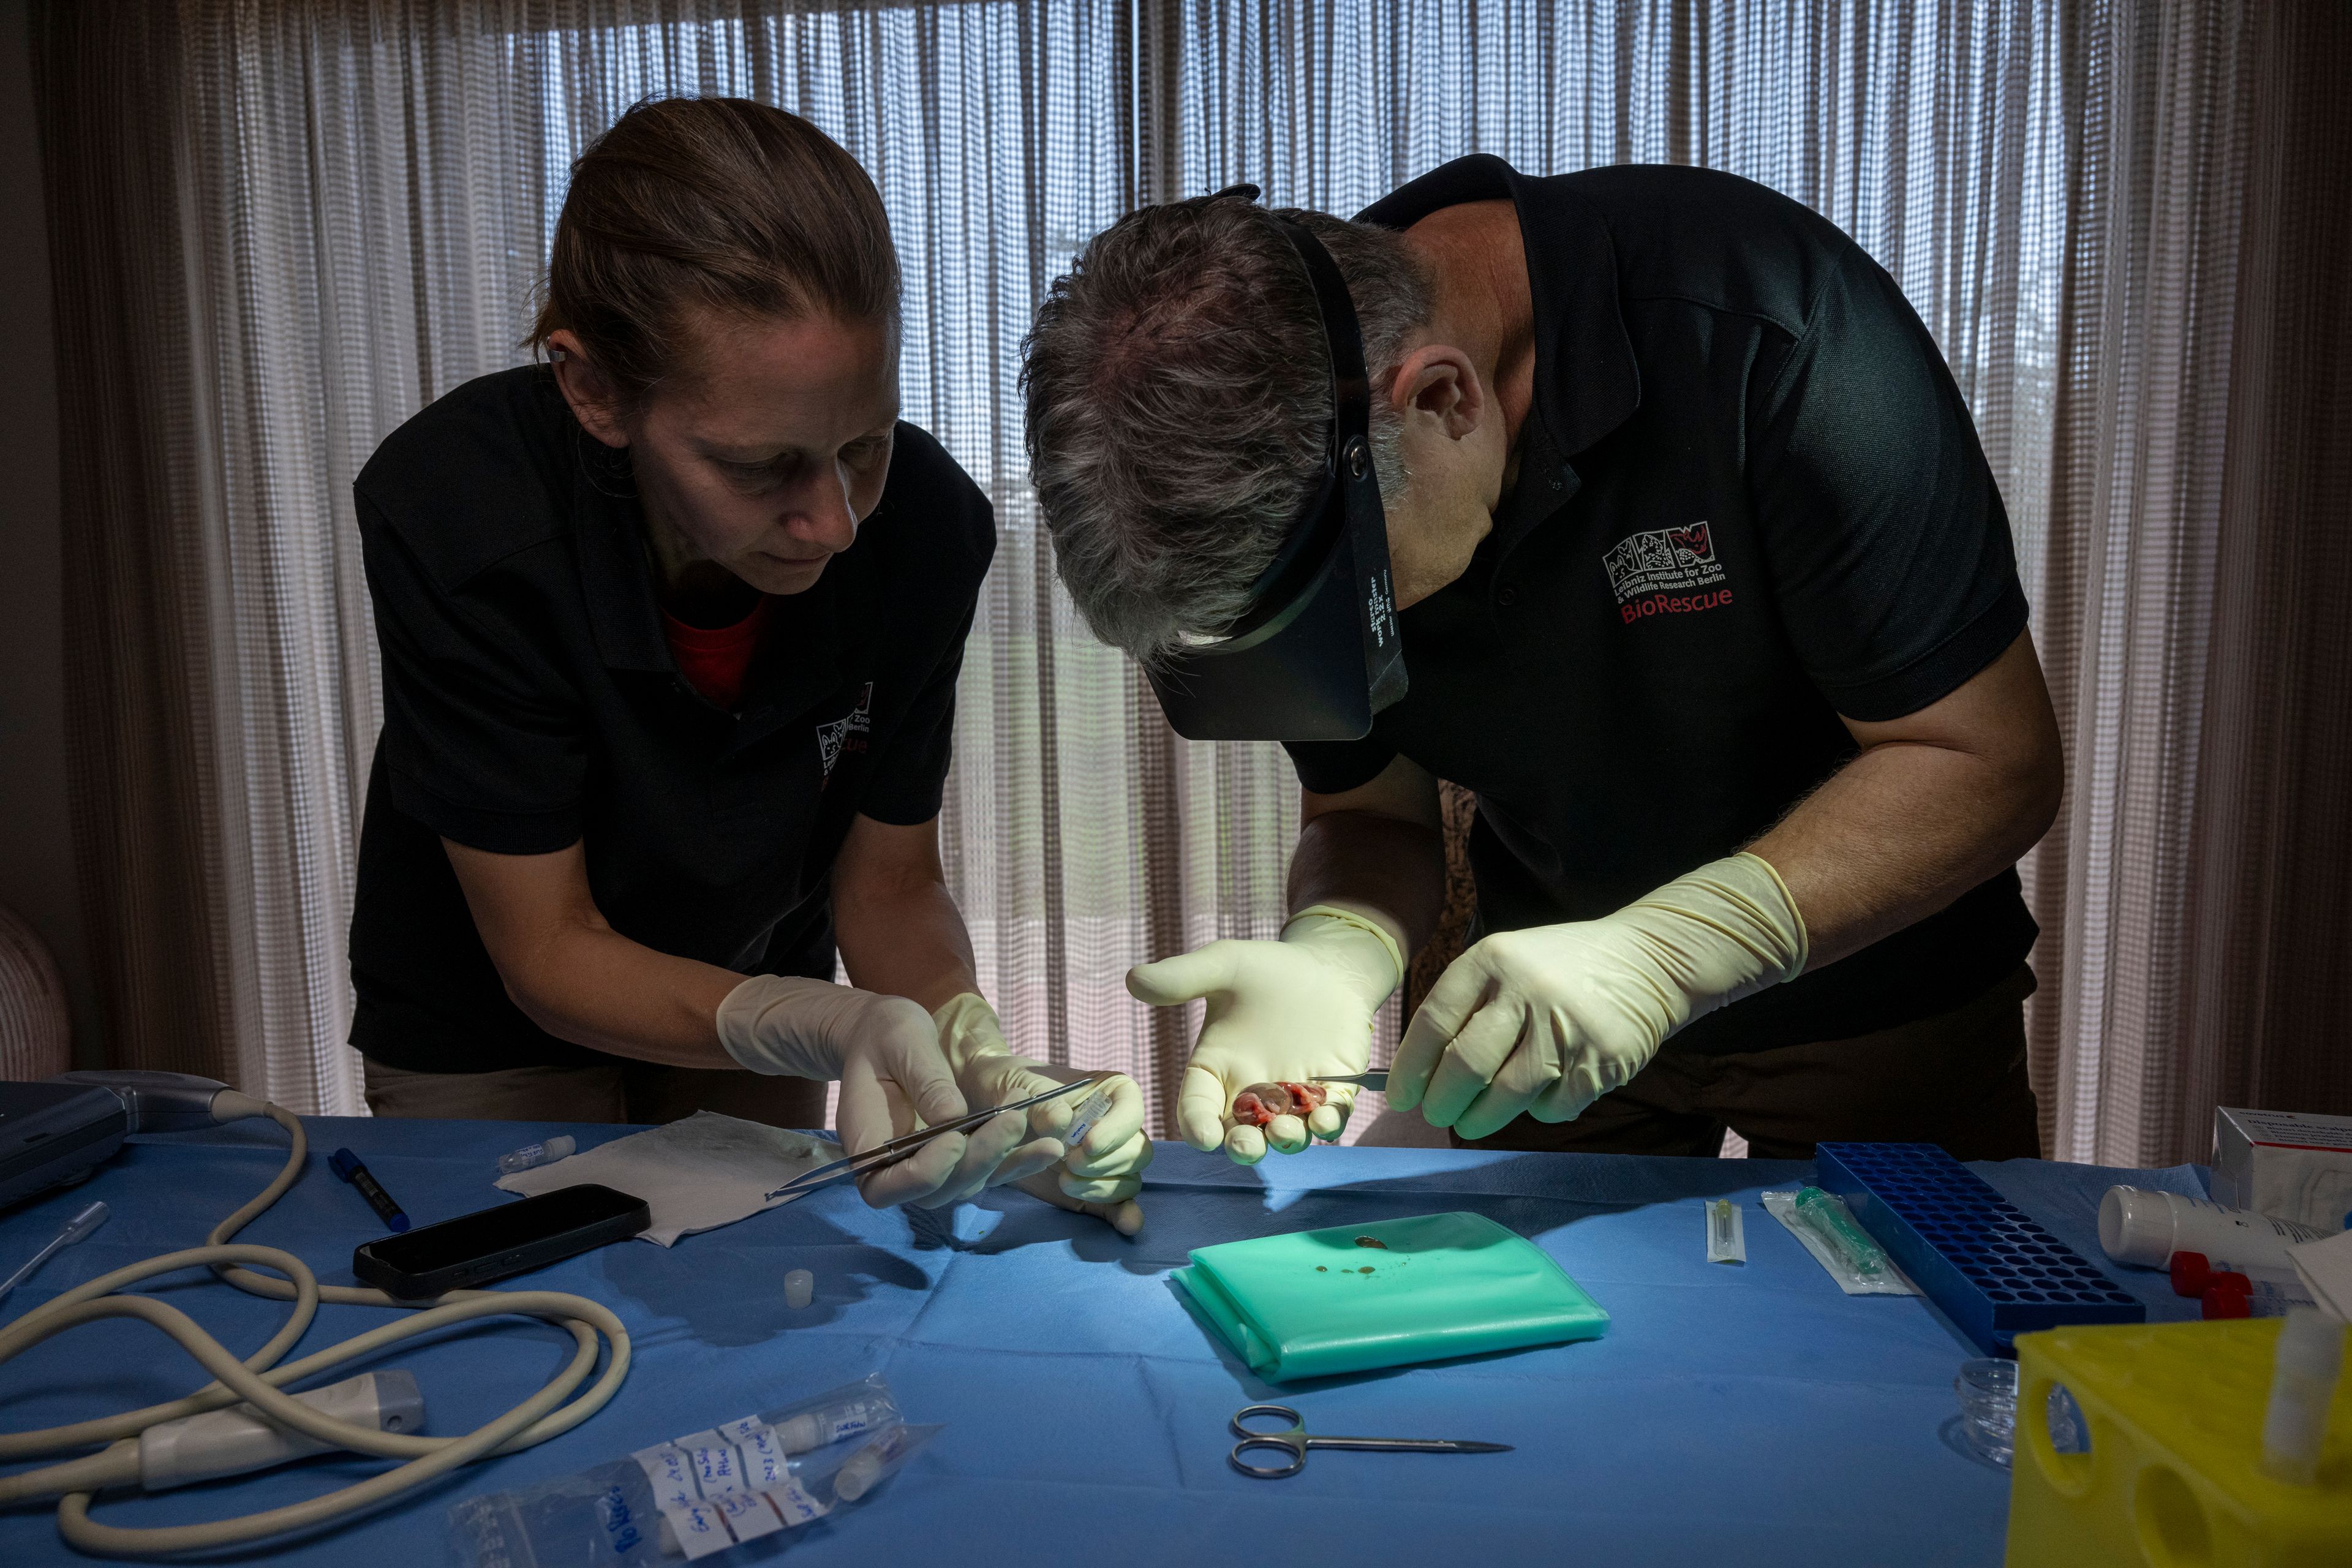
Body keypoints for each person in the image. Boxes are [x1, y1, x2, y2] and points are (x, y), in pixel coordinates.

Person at [1022, 156, 2064, 1166]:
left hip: (1877, 1003)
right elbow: (1369, 813)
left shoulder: (1768, 331)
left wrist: (1666, 955)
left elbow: (1988, 759)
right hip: (1549, 1027)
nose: (1366, 641)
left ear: (1442, 402)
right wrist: (1336, 953)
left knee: (1915, 1338)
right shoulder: (1295, 467)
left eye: (1358, 614)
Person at [347, 97, 1147, 1226]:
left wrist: (968, 1048)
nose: (833, 524)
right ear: (595, 391)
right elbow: (545, 945)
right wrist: (820, 1019)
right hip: (488, 1023)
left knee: (762, 1287)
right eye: (761, 465)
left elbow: (890, 886)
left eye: (862, 446)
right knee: (527, 1327)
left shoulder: (920, 531)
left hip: (758, 971)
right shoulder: (467, 520)